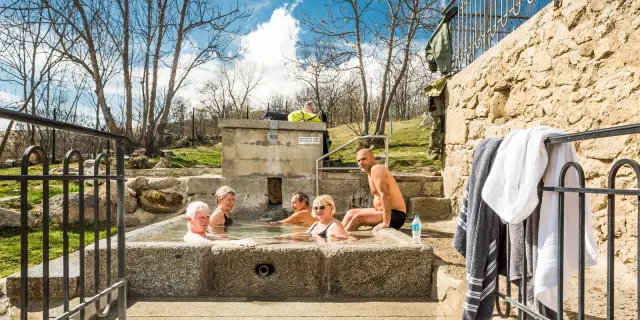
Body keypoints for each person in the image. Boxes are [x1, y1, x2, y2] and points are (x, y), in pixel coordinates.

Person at [341, 149, 407, 232]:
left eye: (364, 159)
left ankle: (342, 241)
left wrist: (386, 221)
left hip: (395, 215)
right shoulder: (370, 173)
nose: (361, 163)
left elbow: (385, 195)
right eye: (359, 160)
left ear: (373, 159)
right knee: (351, 212)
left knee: (358, 218)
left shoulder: (376, 169)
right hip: (381, 212)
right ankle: (335, 233)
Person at [184, 201, 256, 246]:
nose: (206, 221)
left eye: (208, 217)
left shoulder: (206, 234)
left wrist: (244, 240)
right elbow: (209, 243)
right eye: (201, 218)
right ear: (190, 219)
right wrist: (236, 242)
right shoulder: (191, 237)